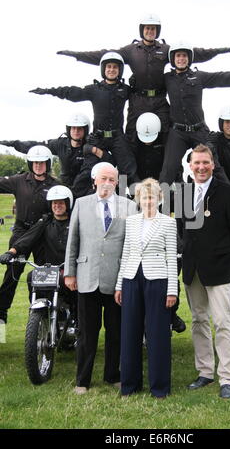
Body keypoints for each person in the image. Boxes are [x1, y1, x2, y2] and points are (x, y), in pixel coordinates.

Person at [57, 13, 230, 144]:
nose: (150, 31)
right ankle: (130, 185)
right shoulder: (131, 50)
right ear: (142, 30)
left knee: (167, 133)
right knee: (132, 136)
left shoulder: (166, 50)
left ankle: (174, 180)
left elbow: (195, 53)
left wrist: (219, 51)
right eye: (147, 28)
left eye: (153, 29)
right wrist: (76, 55)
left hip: (159, 99)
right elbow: (106, 55)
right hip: (138, 99)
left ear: (157, 31)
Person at [177, 144, 230, 399]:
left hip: (219, 268)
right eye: (196, 163)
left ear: (212, 164)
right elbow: (181, 231)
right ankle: (205, 372)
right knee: (198, 321)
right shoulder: (183, 193)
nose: (201, 167)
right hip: (192, 269)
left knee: (222, 321)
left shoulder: (228, 192)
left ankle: (228, 378)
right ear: (190, 166)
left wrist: (227, 256)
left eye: (205, 162)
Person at [64, 162, 137, 395]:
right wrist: (69, 272)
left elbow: (132, 244)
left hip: (117, 280)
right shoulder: (81, 204)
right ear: (94, 180)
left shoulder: (129, 206)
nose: (107, 183)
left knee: (116, 331)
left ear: (117, 182)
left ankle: (112, 375)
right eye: (103, 178)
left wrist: (128, 277)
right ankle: (82, 380)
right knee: (87, 332)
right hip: (87, 277)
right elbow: (73, 240)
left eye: (112, 180)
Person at [159, 42, 230, 185]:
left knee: (215, 166)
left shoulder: (198, 76)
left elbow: (223, 78)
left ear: (189, 58)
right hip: (177, 132)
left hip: (199, 130)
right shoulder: (167, 78)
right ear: (173, 58)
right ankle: (156, 205)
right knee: (168, 170)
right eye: (178, 56)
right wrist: (134, 82)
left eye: (185, 56)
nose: (181, 59)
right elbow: (149, 83)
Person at [29, 52, 138, 186]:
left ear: (120, 70)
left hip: (118, 137)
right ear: (103, 69)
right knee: (87, 170)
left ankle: (133, 202)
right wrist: (48, 91)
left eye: (115, 67)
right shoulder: (94, 89)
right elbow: (72, 92)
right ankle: (74, 196)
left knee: (129, 170)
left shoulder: (125, 90)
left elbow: (142, 96)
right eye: (108, 67)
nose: (111, 70)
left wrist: (137, 82)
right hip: (98, 137)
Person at [115, 178, 178, 398]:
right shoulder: (130, 221)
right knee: (129, 332)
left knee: (158, 333)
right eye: (144, 197)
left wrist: (172, 290)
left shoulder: (168, 223)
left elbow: (172, 258)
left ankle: (159, 387)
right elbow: (126, 255)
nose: (148, 201)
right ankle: (129, 385)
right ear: (138, 199)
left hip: (158, 280)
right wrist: (119, 285)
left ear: (159, 198)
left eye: (152, 197)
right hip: (131, 278)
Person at [0, 186, 77, 322]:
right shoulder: (45, 222)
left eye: (60, 203)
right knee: (31, 276)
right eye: (54, 203)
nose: (57, 206)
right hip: (48, 270)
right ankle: (39, 316)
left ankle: (75, 321)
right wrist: (11, 252)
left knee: (77, 297)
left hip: (69, 270)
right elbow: (27, 239)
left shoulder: (75, 222)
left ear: (68, 203)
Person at [0, 145, 58, 324]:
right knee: (11, 276)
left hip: (43, 235)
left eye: (42, 163)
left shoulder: (56, 185)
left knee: (46, 275)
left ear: (47, 164)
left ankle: (45, 318)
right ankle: (1, 315)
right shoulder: (18, 180)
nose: (38, 166)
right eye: (35, 163)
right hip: (21, 233)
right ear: (30, 163)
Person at [0, 113, 91, 187]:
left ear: (85, 130)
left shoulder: (91, 146)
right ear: (69, 129)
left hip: (85, 188)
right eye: (73, 128)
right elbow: (37, 146)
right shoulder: (60, 144)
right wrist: (14, 144)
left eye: (79, 128)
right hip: (64, 186)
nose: (76, 131)